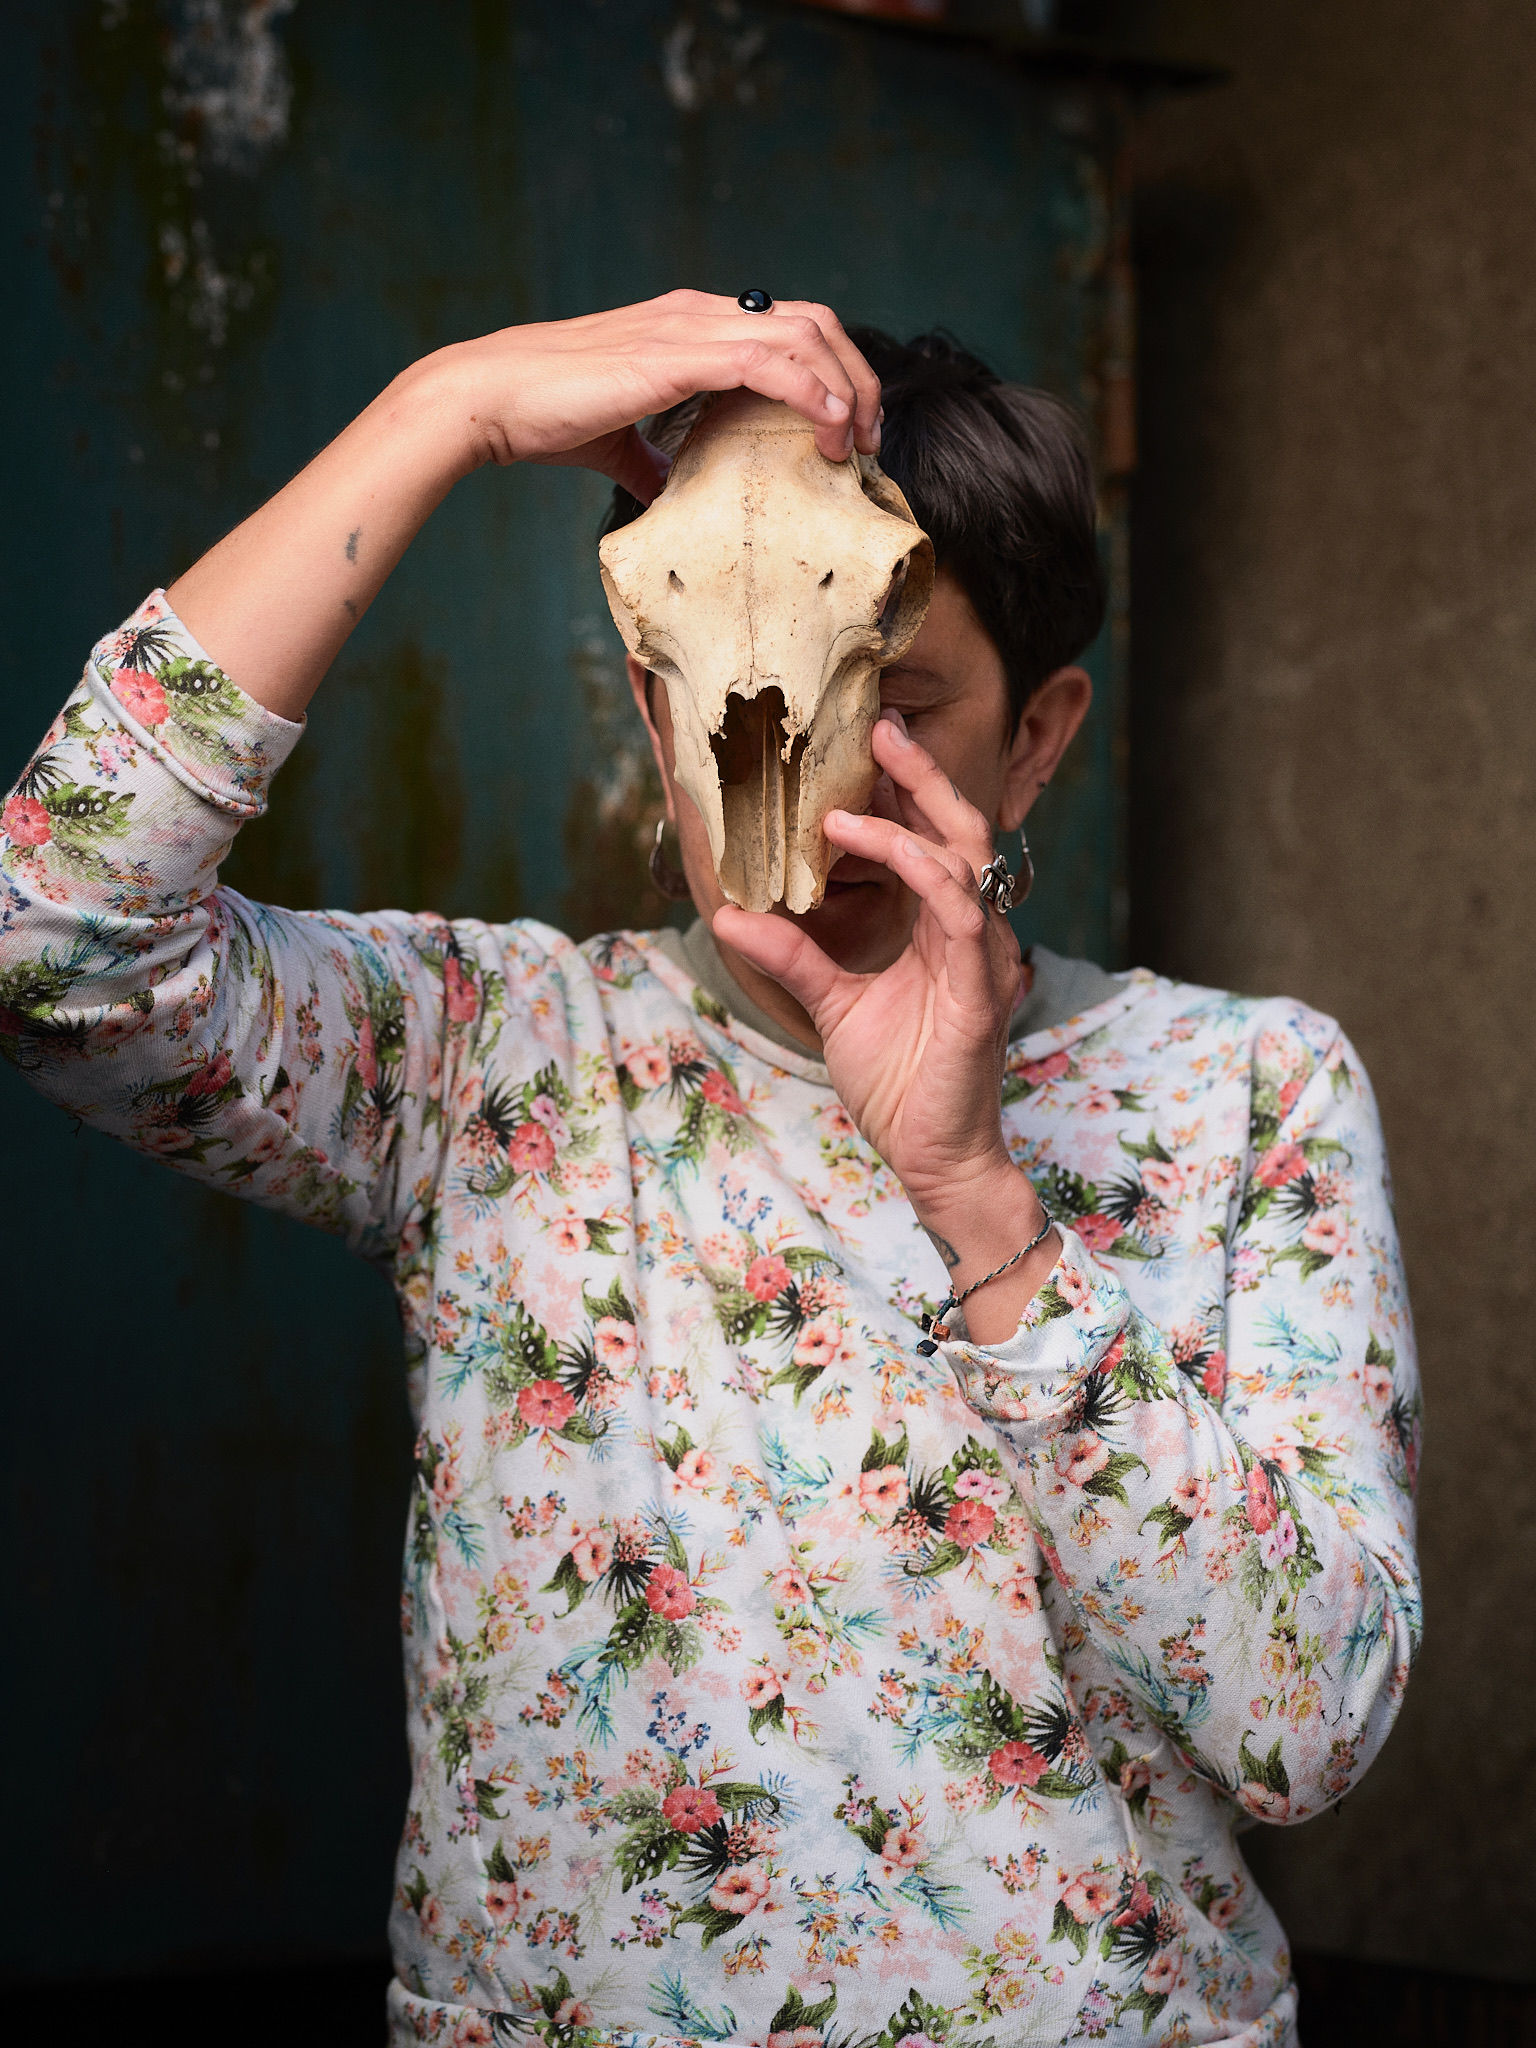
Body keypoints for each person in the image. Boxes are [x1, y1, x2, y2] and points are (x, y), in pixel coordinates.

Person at [0, 292, 1419, 2047]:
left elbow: (1308, 1726)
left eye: (895, 702)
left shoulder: (1244, 1091)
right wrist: (444, 407)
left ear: (1038, 736)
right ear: (651, 697)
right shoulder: (494, 1061)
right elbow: (60, 950)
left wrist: (975, 1192)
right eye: (738, 689)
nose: (797, 774)